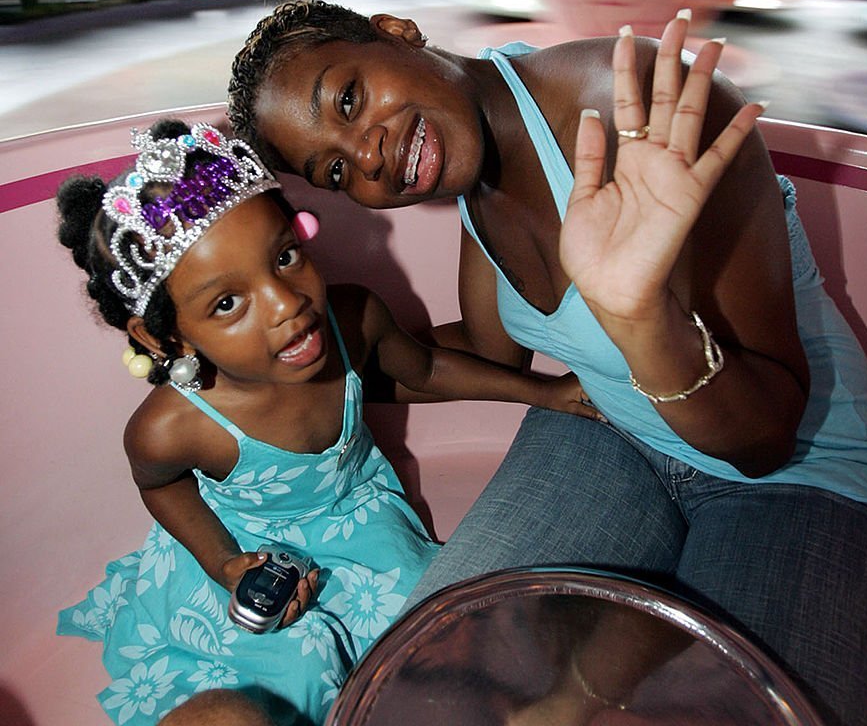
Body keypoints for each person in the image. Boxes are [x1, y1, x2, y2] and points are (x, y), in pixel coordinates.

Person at [227, 0, 867, 726]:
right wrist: (320, 362)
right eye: (334, 170)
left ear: (396, 34)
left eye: (349, 99)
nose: (367, 156)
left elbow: (760, 441)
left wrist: (640, 320)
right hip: (606, 431)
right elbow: (490, 351)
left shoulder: (623, 109)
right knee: (426, 688)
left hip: (797, 474)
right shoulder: (468, 163)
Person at [55, 119, 598, 726]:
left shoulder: (353, 317)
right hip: (246, 553)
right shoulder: (172, 428)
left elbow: (423, 371)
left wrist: (544, 391)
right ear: (163, 337)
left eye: (285, 256)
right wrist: (225, 563)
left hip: (358, 520)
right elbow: (162, 485)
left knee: (441, 634)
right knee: (287, 676)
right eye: (228, 303)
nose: (288, 304)